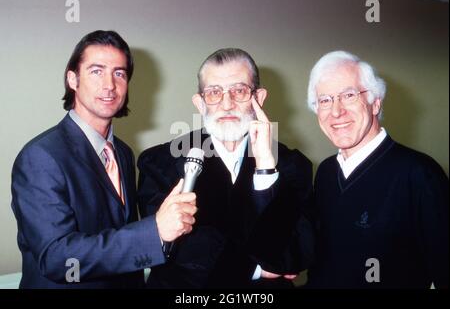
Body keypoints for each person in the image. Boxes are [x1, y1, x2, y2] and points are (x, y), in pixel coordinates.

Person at [11, 30, 197, 288]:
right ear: (73, 80)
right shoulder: (40, 157)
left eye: (119, 73)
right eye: (96, 71)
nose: (109, 85)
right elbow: (57, 258)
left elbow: (121, 236)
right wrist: (154, 231)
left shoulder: (122, 152)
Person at [137, 48, 314, 288]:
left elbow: (296, 252)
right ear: (200, 103)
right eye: (214, 93)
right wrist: (254, 268)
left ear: (259, 98)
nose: (227, 104)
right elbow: (174, 250)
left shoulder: (292, 165)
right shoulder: (160, 162)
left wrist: (264, 169)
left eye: (239, 91)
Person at [305, 50, 449, 288]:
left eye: (349, 95)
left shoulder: (419, 174)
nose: (336, 111)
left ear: (375, 103)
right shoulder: (326, 173)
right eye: (325, 100)